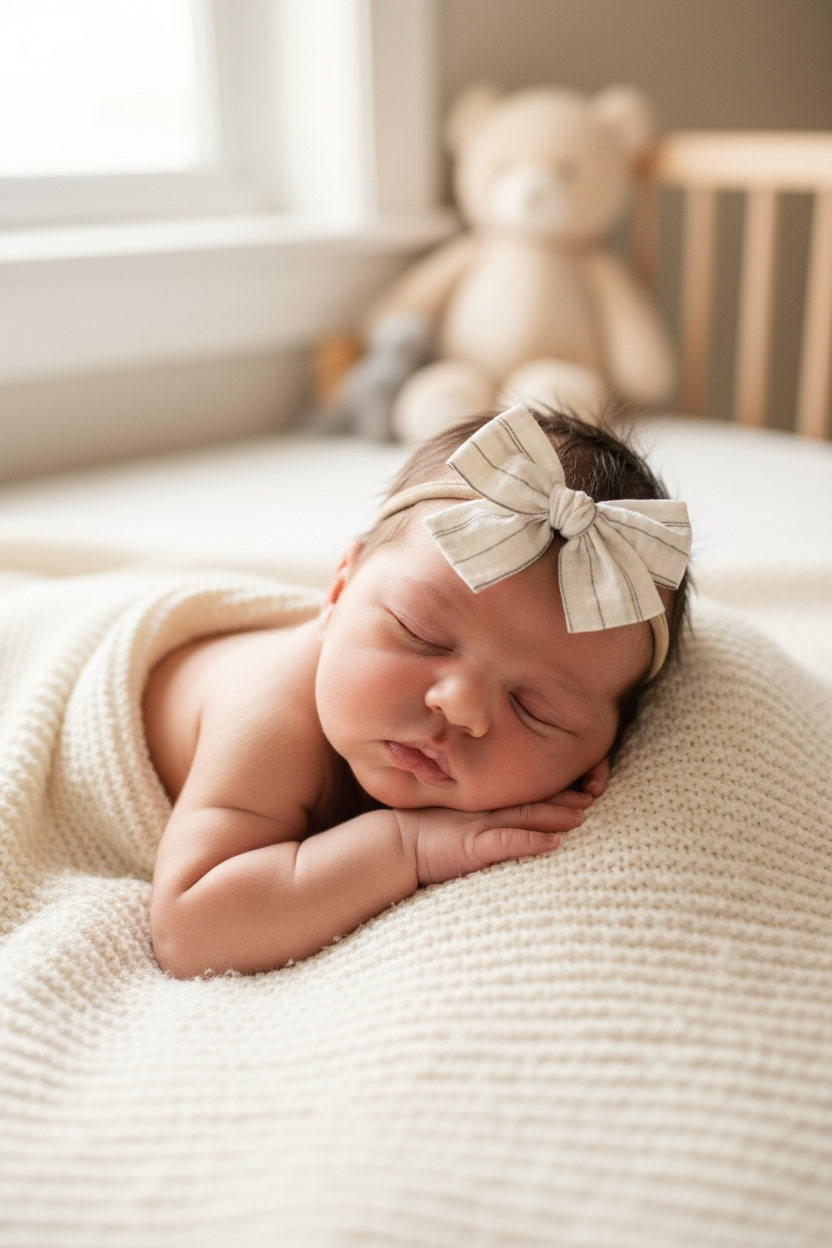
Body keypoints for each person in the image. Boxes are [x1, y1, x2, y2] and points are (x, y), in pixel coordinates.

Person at [144, 404, 691, 978]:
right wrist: (405, 846)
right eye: (420, 634)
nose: (458, 706)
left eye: (536, 710)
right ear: (338, 590)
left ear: (598, 759)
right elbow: (189, 932)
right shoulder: (268, 713)